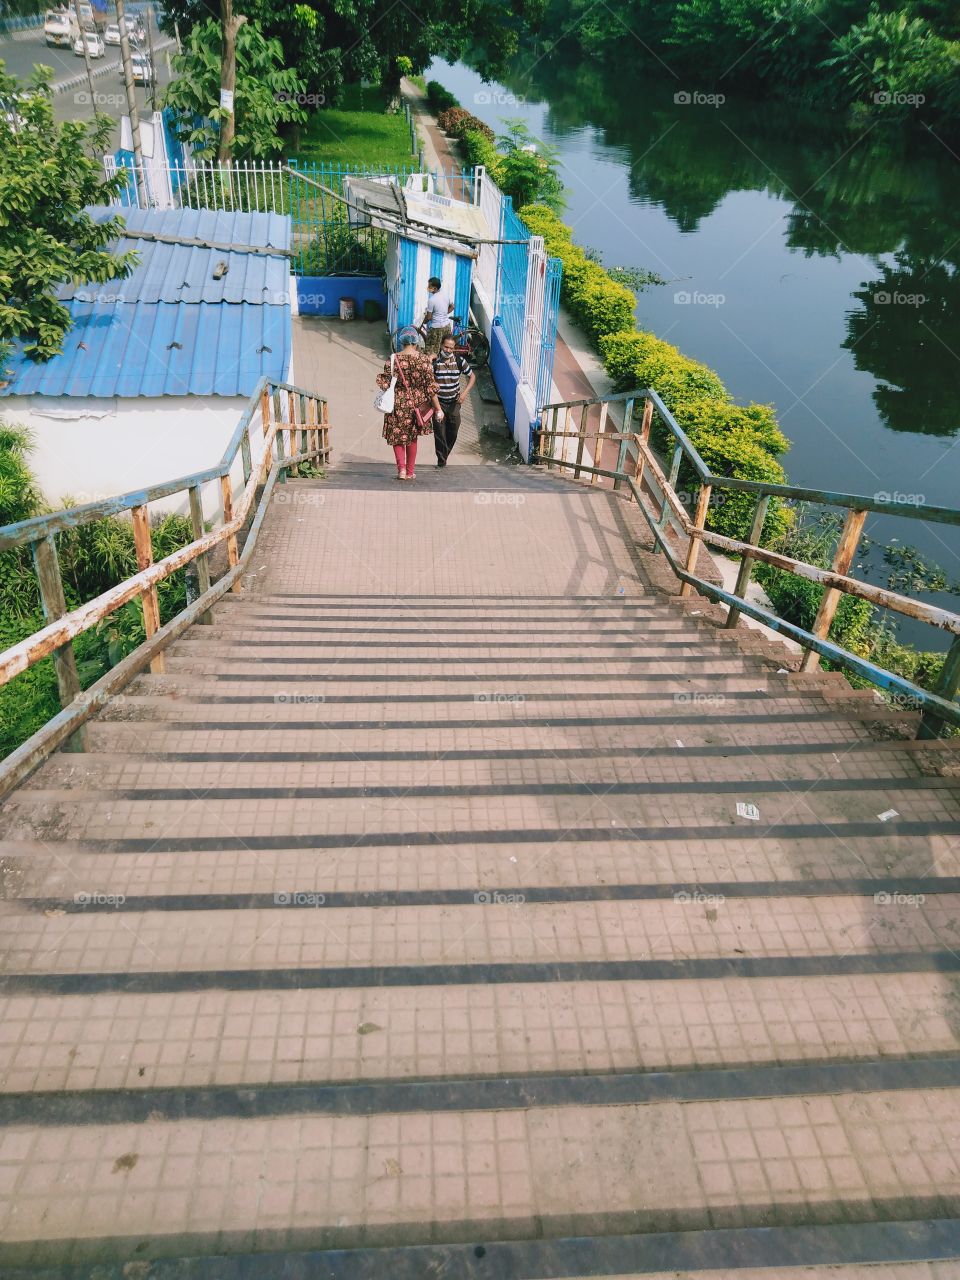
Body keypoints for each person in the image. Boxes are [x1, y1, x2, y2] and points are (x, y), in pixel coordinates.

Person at [376, 333, 443, 481]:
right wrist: (438, 409)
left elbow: (385, 383)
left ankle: (401, 470)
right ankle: (410, 472)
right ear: (416, 342)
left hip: (397, 404)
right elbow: (430, 388)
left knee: (398, 437)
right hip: (417, 405)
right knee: (412, 438)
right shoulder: (424, 360)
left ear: (401, 342)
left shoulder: (393, 359)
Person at [432, 333, 476, 468]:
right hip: (438, 403)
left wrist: (464, 394)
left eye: (451, 348)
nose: (448, 350)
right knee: (440, 434)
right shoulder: (434, 362)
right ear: (441, 345)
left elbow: (472, 376)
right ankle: (441, 461)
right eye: (446, 347)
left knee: (454, 431)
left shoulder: (459, 361)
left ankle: (444, 455)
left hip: (454, 403)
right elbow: (429, 382)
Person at [421, 276, 453, 357]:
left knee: (431, 350)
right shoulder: (446, 295)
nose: (428, 288)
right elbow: (452, 306)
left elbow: (428, 317)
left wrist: (424, 322)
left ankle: (432, 367)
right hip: (447, 326)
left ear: (435, 288)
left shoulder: (432, 300)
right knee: (444, 349)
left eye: (429, 286)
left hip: (436, 329)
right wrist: (444, 314)